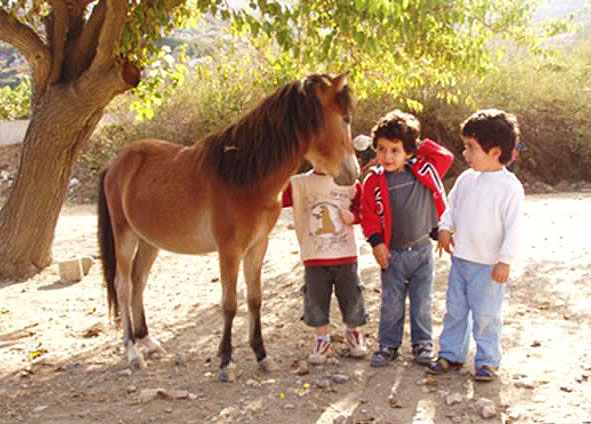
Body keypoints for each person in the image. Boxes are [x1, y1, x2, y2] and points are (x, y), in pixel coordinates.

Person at [427, 109, 525, 382]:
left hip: (489, 267)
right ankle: (451, 354)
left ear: (495, 151)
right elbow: (451, 207)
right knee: (455, 310)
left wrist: (505, 260)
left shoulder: (510, 187)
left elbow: (513, 228)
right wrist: (445, 228)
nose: (465, 154)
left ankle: (487, 361)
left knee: (486, 315)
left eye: (471, 147)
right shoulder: (466, 180)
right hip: (462, 261)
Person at [361, 110, 454, 367]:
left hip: (422, 250)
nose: (387, 156)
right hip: (393, 254)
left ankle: (422, 344)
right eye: (381, 149)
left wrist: (414, 141)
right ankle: (388, 345)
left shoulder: (423, 170)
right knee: (391, 303)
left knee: (422, 302)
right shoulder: (373, 181)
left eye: (395, 150)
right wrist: (377, 243)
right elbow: (368, 216)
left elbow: (445, 156)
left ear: (409, 152)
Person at [282, 164, 368, 365]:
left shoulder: (349, 182)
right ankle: (322, 338)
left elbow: (364, 207)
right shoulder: (298, 184)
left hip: (346, 254)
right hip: (314, 255)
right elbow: (273, 197)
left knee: (351, 295)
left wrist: (354, 217)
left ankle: (353, 332)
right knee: (315, 298)